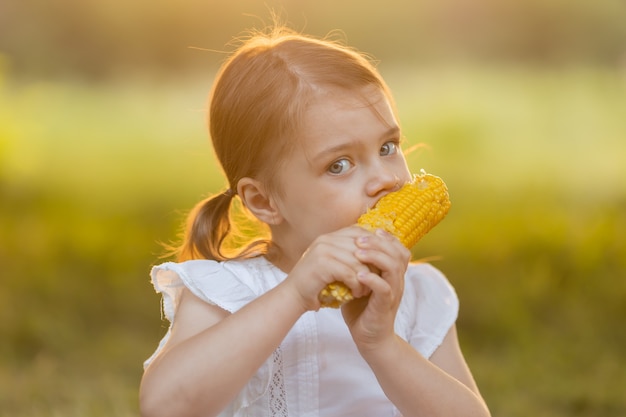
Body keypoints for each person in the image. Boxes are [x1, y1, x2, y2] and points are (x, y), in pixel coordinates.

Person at [139, 25, 490, 417]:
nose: (387, 179)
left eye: (388, 147)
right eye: (339, 165)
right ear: (264, 201)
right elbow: (166, 406)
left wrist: (382, 345)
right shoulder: (228, 294)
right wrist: (293, 295)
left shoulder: (418, 295)